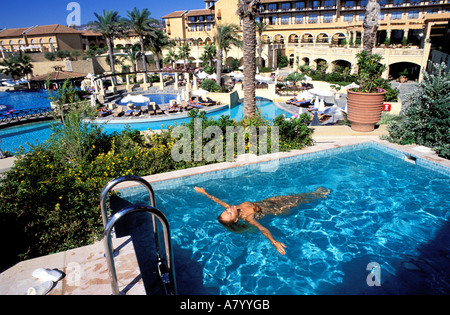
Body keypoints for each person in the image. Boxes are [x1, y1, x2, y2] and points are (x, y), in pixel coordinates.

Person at [194, 186, 331, 255]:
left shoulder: (233, 209)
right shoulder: (248, 217)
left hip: (270, 201)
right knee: (299, 200)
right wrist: (274, 242)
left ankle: (315, 195)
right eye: (229, 212)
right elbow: (263, 229)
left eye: (226, 211)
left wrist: (204, 193)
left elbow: (218, 201)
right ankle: (319, 195)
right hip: (279, 209)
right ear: (236, 220)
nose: (229, 209)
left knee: (296, 196)